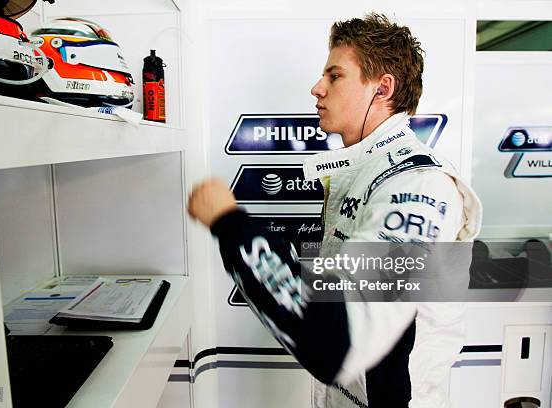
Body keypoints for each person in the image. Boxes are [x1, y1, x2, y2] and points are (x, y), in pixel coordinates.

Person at [188, 13, 482, 408]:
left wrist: (230, 224)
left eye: (334, 76)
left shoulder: (418, 185)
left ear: (382, 89)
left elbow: (336, 338)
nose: (317, 88)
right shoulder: (363, 173)